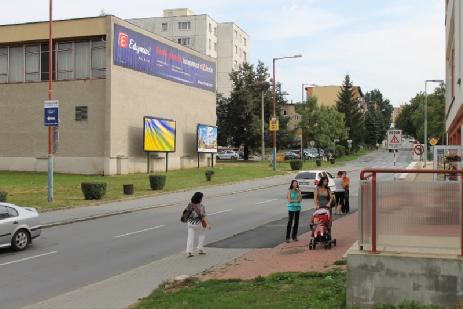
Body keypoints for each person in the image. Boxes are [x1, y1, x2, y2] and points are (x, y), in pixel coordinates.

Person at [186, 192, 211, 257]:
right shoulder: (201, 206)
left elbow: (187, 213)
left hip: (190, 223)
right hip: (198, 223)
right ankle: (200, 248)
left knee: (190, 236)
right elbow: (203, 216)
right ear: (200, 198)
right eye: (201, 197)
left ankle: (189, 251)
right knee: (201, 234)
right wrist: (208, 224)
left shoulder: (190, 204)